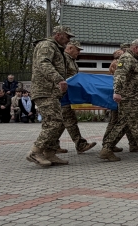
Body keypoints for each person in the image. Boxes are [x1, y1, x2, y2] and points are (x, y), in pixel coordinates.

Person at [26, 25, 75, 167]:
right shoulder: (47, 45)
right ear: (58, 35)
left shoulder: (57, 48)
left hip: (52, 91)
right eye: (67, 36)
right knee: (54, 121)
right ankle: (35, 151)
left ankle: (49, 152)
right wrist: (59, 79)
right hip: (45, 90)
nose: (69, 40)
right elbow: (43, 63)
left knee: (56, 122)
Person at [58, 40, 96, 153]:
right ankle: (80, 144)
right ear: (70, 48)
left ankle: (52, 145)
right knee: (69, 120)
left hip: (68, 95)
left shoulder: (71, 60)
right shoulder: (63, 59)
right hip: (62, 96)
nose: (79, 52)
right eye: (77, 50)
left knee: (61, 122)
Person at [101, 46, 134, 153]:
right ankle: (107, 144)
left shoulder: (115, 63)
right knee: (115, 120)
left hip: (119, 95)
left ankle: (132, 144)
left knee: (124, 121)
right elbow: (120, 79)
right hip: (119, 96)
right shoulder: (117, 64)